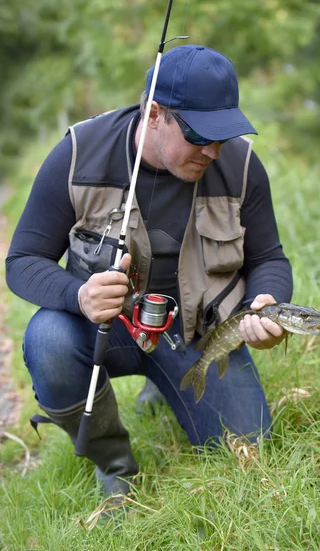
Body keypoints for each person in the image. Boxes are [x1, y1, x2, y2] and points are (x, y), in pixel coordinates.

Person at [5, 45, 293, 499]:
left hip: (198, 334)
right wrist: (79, 296)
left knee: (249, 452)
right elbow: (22, 261)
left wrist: (268, 304)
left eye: (224, 134)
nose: (214, 151)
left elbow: (269, 259)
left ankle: (164, 386)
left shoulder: (241, 167)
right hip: (107, 327)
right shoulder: (79, 155)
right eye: (201, 135)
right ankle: (113, 463)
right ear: (155, 113)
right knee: (48, 340)